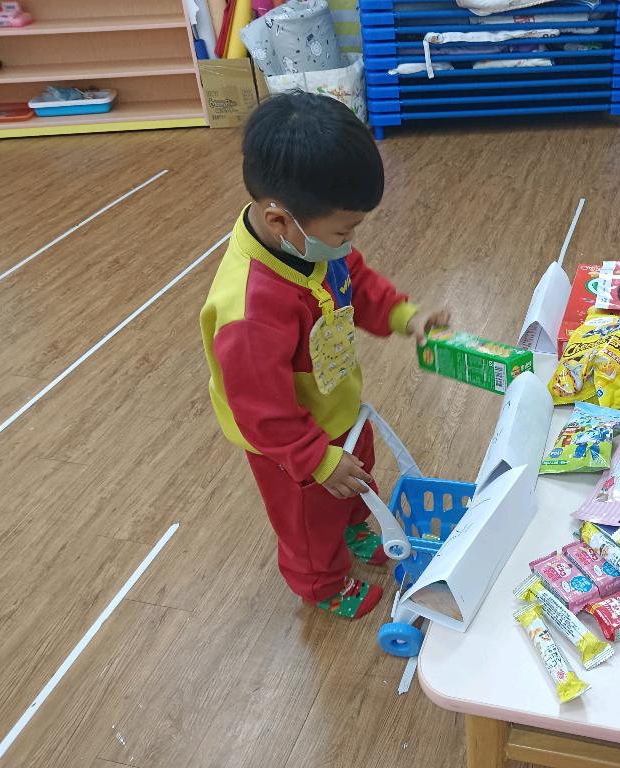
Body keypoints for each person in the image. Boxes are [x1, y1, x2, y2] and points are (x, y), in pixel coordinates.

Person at [200, 93, 448, 619]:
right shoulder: (250, 312)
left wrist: (404, 315)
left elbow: (355, 278)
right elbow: (262, 412)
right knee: (309, 522)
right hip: (289, 443)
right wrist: (313, 459)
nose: (350, 241)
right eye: (343, 230)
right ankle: (323, 583)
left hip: (335, 403)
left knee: (358, 475)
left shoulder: (310, 242)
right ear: (279, 219)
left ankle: (355, 526)